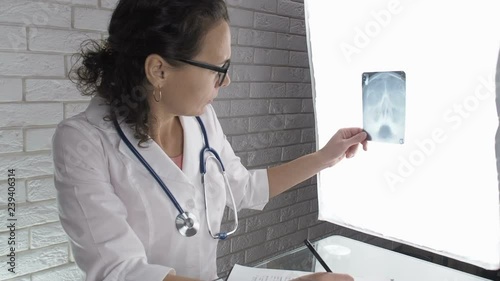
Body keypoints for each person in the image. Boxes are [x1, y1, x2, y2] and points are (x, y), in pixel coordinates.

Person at [51, 0, 368, 280]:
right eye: (218, 69)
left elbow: (243, 188)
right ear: (159, 70)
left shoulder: (200, 119)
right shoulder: (83, 143)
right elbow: (120, 271)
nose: (226, 81)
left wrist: (326, 157)